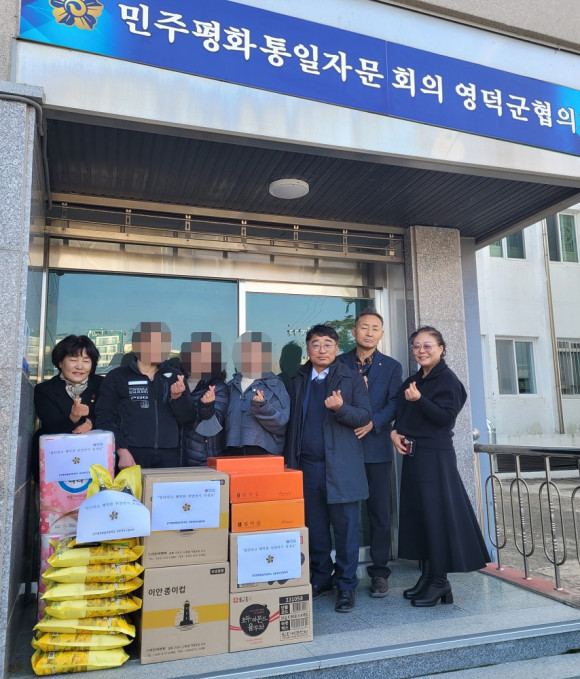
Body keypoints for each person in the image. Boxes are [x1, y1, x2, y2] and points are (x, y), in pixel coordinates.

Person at [391, 326, 490, 607]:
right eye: (416, 346)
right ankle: (427, 576)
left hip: (435, 457)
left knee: (436, 515)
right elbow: (401, 416)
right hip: (413, 455)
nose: (421, 351)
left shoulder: (447, 380)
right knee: (420, 515)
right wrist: (394, 433)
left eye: (427, 346)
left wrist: (420, 400)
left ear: (441, 348)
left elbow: (446, 418)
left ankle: (439, 580)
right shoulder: (413, 381)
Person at [285, 325, 372, 613]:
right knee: (316, 528)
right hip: (306, 467)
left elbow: (364, 415)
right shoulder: (298, 379)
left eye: (327, 344)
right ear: (307, 349)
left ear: (336, 348)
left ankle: (346, 585)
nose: (321, 350)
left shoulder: (351, 378)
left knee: (346, 529)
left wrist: (340, 408)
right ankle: (321, 578)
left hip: (341, 467)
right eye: (315, 344)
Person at [337, 308, 402, 598]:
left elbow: (395, 402)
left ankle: (379, 572)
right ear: (354, 332)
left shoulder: (392, 367)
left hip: (376, 447)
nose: (369, 332)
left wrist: (373, 423)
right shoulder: (339, 363)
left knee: (379, 512)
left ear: (382, 334)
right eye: (364, 327)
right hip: (345, 447)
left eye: (375, 328)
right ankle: (344, 573)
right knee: (345, 514)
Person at [95, 322, 193, 469]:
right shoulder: (117, 376)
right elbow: (104, 418)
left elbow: (188, 418)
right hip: (130, 454)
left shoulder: (175, 376)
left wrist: (177, 398)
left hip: (169, 455)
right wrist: (121, 450)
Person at [225, 331, 290, 456]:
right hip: (231, 453)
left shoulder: (275, 384)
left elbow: (281, 424)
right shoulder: (230, 386)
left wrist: (262, 407)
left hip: (264, 453)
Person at [34, 334, 102, 437]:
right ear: (60, 362)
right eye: (73, 360)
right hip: (57, 445)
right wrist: (73, 417)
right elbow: (50, 425)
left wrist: (90, 422)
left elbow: (111, 416)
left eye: (86, 361)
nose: (79, 366)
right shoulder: (45, 390)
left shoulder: (102, 385)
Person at [180, 332, 229, 465]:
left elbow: (214, 425)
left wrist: (206, 407)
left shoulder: (218, 387)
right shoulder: (176, 382)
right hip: (175, 459)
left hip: (203, 461)